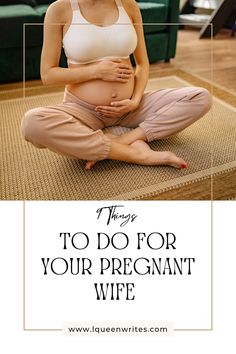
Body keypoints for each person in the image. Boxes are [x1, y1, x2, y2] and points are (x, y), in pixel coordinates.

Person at [21, 0, 212, 170]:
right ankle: (136, 154)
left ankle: (123, 139)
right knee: (32, 123)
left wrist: (135, 100)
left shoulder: (128, 5)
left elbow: (143, 64)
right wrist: (96, 71)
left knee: (201, 97)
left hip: (130, 108)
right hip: (83, 110)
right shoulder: (60, 9)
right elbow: (48, 75)